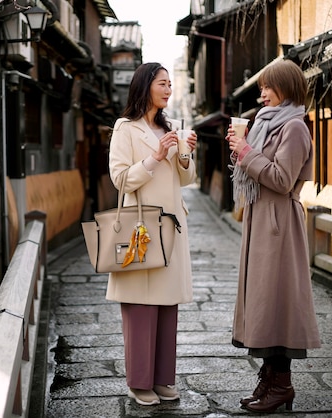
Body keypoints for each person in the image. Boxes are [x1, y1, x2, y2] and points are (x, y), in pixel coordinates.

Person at [225, 59, 321, 413]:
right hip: (262, 219)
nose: (261, 93)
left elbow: (281, 180)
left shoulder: (295, 127)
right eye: (261, 87)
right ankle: (269, 380)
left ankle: (281, 385)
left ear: (287, 88)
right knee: (265, 304)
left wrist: (247, 151)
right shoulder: (266, 124)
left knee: (277, 304)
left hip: (279, 224)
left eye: (268, 86)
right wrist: (243, 147)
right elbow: (255, 171)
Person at [107, 62, 197, 406]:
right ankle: (139, 381)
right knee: (141, 307)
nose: (169, 89)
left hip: (172, 226)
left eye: (171, 84)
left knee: (166, 307)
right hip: (140, 228)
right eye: (163, 83)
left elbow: (185, 179)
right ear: (145, 86)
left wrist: (185, 152)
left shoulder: (171, 126)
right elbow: (120, 179)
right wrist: (156, 157)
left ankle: (162, 379)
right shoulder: (125, 128)